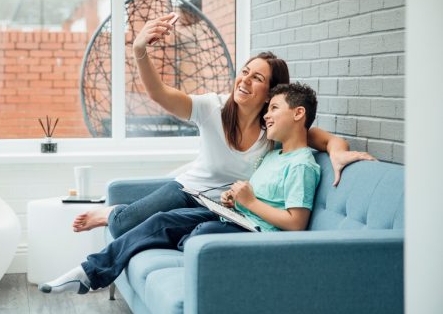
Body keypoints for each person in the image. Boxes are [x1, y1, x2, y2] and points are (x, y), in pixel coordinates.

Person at [73, 14, 373, 238]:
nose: (244, 80)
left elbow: (326, 140)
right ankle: (113, 212)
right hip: (186, 188)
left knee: (160, 230)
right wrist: (140, 49)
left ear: (271, 92)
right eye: (244, 72)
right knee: (123, 224)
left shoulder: (274, 127)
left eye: (257, 78)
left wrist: (339, 153)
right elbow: (159, 94)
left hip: (220, 209)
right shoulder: (211, 107)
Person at [39, 82, 321, 294]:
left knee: (198, 234)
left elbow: (296, 223)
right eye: (268, 107)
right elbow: (257, 200)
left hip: (255, 233)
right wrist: (236, 199)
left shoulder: (301, 165)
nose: (267, 115)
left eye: (274, 108)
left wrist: (250, 202)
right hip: (235, 217)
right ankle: (88, 273)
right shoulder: (274, 155)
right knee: (163, 220)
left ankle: (186, 242)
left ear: (298, 113)